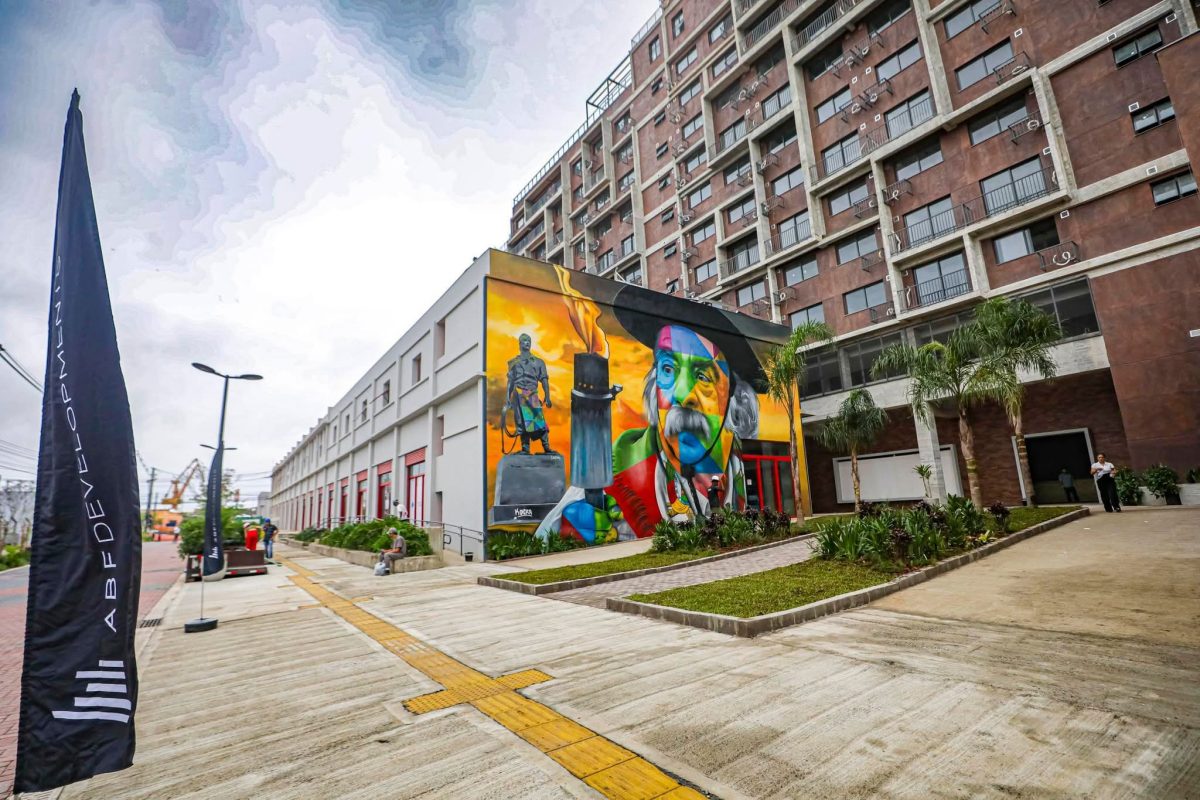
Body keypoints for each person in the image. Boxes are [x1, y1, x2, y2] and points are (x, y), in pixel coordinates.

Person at [537, 288, 764, 544]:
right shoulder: (612, 479)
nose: (682, 394)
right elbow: (544, 541)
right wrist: (568, 534)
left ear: (735, 399)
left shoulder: (736, 468)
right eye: (668, 369)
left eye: (703, 376)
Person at [503, 333, 557, 456]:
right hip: (518, 395)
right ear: (520, 344)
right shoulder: (513, 363)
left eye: (529, 341)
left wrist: (547, 397)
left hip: (531, 394)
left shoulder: (538, 362)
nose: (527, 342)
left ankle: (546, 446)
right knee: (521, 423)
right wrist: (507, 398)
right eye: (524, 340)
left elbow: (544, 380)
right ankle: (525, 448)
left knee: (538, 422)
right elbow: (510, 381)